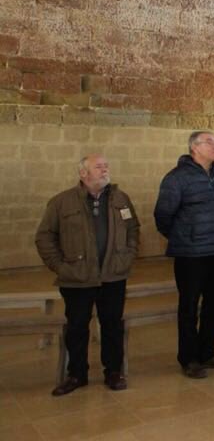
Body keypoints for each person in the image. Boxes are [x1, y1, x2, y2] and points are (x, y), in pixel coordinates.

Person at [35, 155, 139, 396]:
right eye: (98, 167)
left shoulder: (121, 199)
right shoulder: (62, 202)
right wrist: (60, 266)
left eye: (106, 166)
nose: (105, 169)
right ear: (83, 174)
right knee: (77, 327)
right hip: (77, 277)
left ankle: (113, 371)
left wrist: (128, 255)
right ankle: (76, 374)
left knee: (112, 325)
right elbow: (45, 237)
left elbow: (133, 229)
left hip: (113, 275)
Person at [154, 130, 214, 379]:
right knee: (189, 307)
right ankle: (188, 358)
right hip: (190, 254)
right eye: (210, 142)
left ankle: (207, 351)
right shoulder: (177, 178)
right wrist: (182, 238)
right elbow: (162, 215)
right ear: (194, 147)